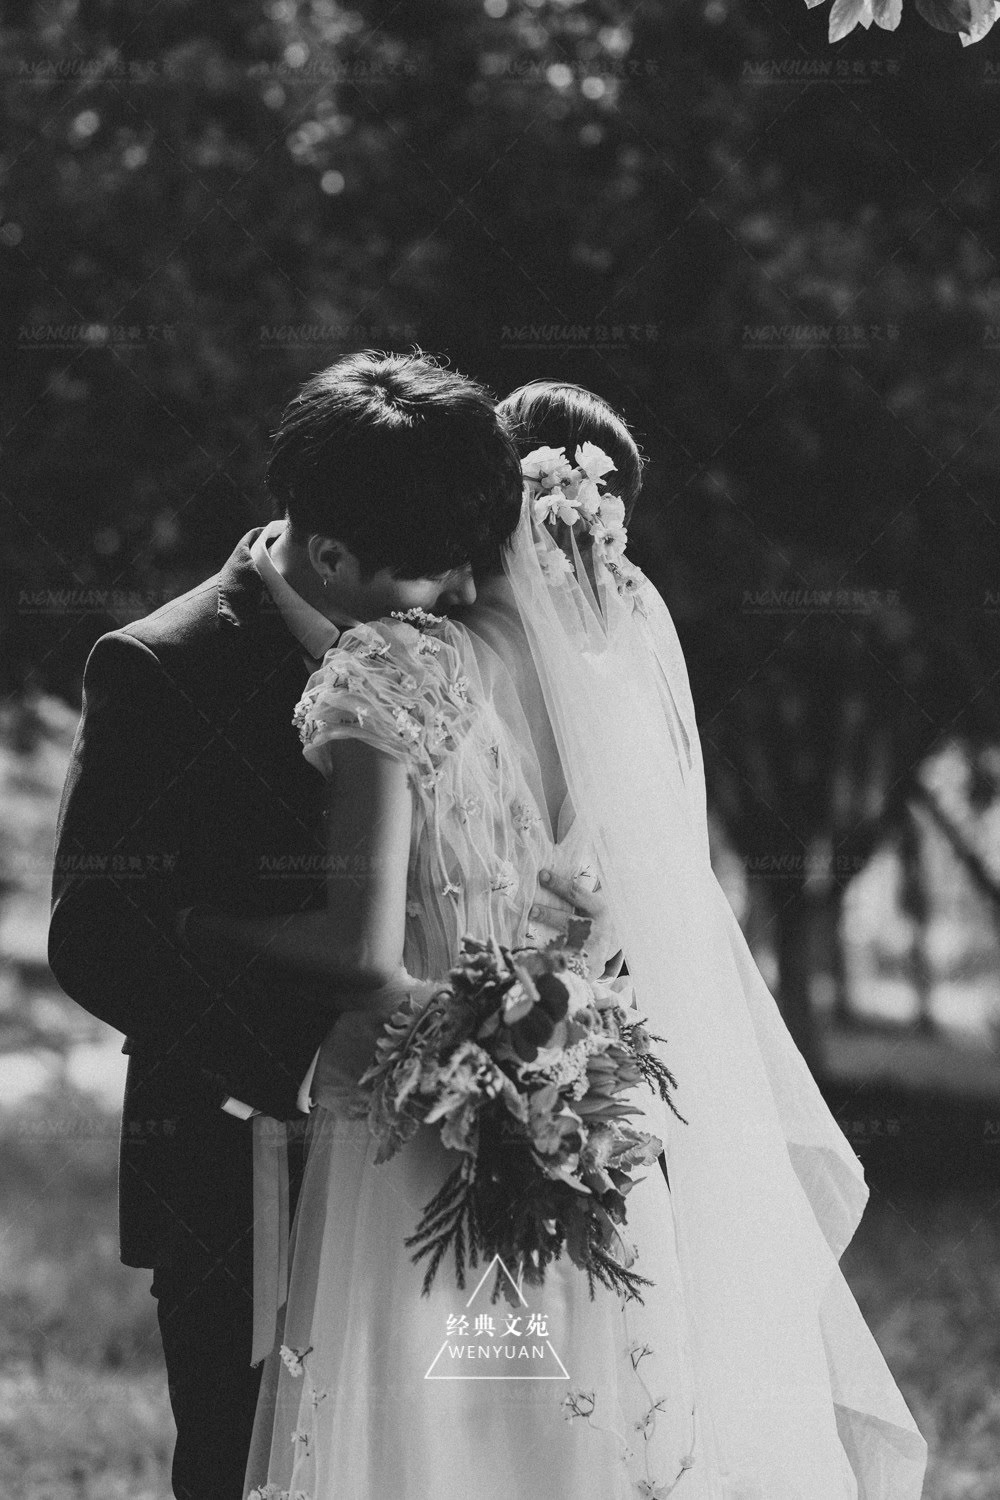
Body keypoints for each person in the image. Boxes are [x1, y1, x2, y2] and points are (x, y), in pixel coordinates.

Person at [241, 380, 929, 1499]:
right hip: (591, 1130)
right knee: (567, 1433)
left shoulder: (399, 665)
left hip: (413, 1123)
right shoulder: (616, 699)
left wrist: (198, 925)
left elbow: (365, 950)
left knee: (434, 1438)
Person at [48, 352, 592, 1500]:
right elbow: (95, 935)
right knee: (247, 1466)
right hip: (243, 1165)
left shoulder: (454, 639)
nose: (462, 591)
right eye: (434, 572)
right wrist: (308, 1045)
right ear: (333, 554)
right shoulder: (162, 667)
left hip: (442, 1160)